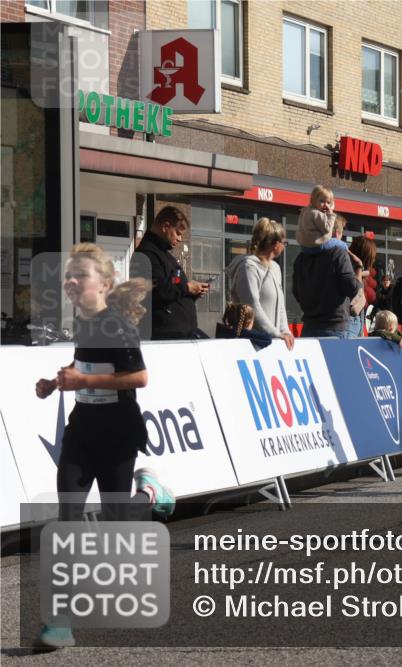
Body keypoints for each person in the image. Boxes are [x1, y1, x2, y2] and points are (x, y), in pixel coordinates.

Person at [34, 244, 175, 650]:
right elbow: (88, 367)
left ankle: (148, 495)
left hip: (117, 436)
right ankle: (59, 624)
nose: (70, 282)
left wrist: (84, 382)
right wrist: (57, 382)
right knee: (67, 523)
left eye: (80, 275)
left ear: (105, 284)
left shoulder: (117, 326)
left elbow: (139, 378)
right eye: (68, 275)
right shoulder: (85, 323)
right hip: (81, 435)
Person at [132, 206, 209, 339]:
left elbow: (173, 283)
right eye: (178, 233)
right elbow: (157, 291)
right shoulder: (146, 255)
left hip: (180, 335)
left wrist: (191, 291)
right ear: (165, 226)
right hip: (165, 338)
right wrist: (187, 288)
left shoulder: (165, 256)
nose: (180, 239)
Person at [225, 218, 294, 350]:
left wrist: (285, 331)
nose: (284, 246)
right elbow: (252, 306)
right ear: (275, 244)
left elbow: (280, 306)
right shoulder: (248, 267)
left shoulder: (275, 268)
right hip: (252, 344)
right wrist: (275, 333)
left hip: (270, 342)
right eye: (284, 242)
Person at [292, 218, 360, 339]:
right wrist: (359, 269)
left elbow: (296, 291)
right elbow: (352, 289)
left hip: (309, 326)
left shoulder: (301, 257)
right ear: (336, 233)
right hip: (334, 327)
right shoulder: (338, 253)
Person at [345, 236, 377, 337]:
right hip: (348, 324)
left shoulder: (358, 271)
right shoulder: (351, 272)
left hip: (355, 324)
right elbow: (356, 301)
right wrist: (359, 270)